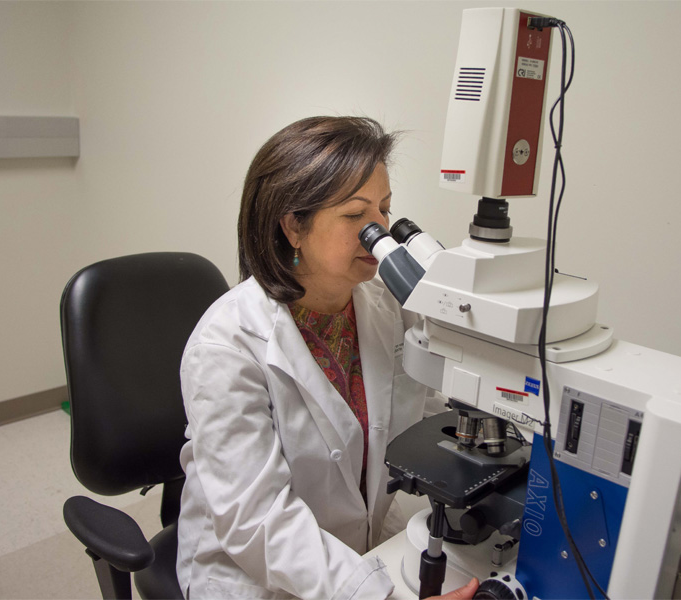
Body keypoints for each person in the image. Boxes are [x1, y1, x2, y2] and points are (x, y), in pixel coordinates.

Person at [176, 116, 478, 600]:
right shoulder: (226, 345)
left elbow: (427, 412)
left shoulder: (386, 306)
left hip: (366, 550)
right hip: (258, 574)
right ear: (294, 225)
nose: (379, 231)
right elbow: (257, 520)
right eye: (355, 215)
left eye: (384, 210)